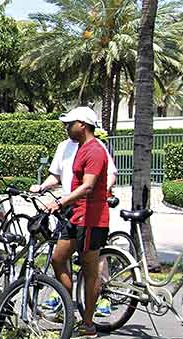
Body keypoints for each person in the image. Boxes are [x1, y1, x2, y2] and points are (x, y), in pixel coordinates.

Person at [31, 113, 118, 320]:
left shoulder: (96, 150)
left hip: (91, 218)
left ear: (82, 125)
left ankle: (88, 323)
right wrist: (46, 190)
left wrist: (60, 202)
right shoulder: (77, 147)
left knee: (90, 270)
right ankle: (68, 309)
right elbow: (58, 176)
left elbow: (88, 186)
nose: (66, 127)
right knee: (58, 259)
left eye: (70, 124)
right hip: (74, 214)